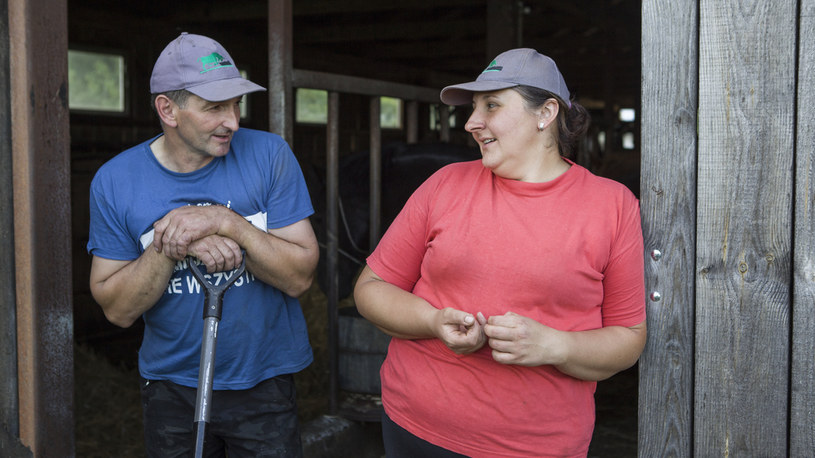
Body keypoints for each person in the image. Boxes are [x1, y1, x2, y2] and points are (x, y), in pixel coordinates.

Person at [354, 48, 647, 457]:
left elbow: (628, 338)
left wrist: (555, 346)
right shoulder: (446, 183)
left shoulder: (612, 205)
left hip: (535, 446)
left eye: (491, 105)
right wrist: (433, 320)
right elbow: (371, 287)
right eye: (473, 107)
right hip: (412, 425)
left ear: (545, 113)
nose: (472, 123)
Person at [87, 32, 319, 457]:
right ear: (168, 109)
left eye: (236, 104)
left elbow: (300, 277)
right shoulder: (115, 181)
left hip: (263, 382)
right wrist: (173, 240)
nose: (232, 121)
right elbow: (117, 310)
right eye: (214, 107)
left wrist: (225, 222)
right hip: (171, 387)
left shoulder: (270, 155)